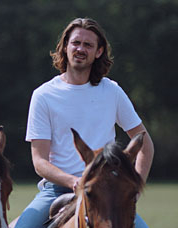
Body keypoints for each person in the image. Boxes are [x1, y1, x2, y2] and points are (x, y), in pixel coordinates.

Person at [14, 18, 155, 228]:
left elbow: (145, 144)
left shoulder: (112, 91)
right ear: (65, 47)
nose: (81, 49)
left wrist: (133, 188)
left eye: (88, 45)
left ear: (98, 52)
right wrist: (73, 182)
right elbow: (39, 162)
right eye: (76, 43)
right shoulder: (43, 95)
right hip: (57, 190)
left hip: (108, 189)